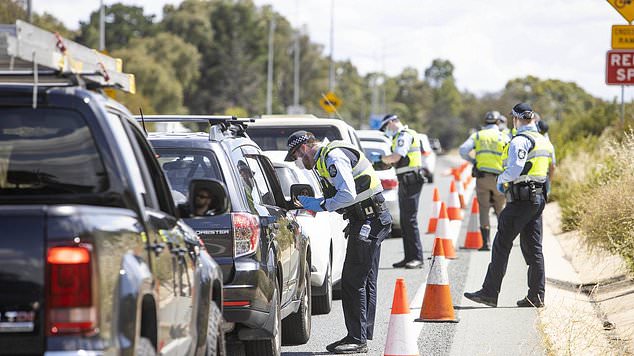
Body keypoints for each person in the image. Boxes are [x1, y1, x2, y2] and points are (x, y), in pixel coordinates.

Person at [284, 130, 391, 354]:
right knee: (365, 278)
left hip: (369, 219)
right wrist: (319, 202)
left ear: (303, 149)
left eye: (296, 155)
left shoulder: (333, 157)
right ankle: (361, 334)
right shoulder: (326, 158)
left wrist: (319, 205)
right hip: (369, 218)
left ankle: (357, 338)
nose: (298, 161)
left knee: (352, 280)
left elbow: (347, 195)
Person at [464, 102, 555, 308]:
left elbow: (514, 170)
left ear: (515, 119)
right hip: (538, 198)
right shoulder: (543, 140)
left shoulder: (520, 141)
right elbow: (550, 168)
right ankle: (536, 296)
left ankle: (489, 292)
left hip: (521, 200)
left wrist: (500, 180)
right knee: (533, 249)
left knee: (501, 244)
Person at [373, 114, 425, 269]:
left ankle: (417, 257)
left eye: (385, 127)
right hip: (406, 180)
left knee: (410, 220)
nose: (386, 131)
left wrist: (382, 159)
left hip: (411, 180)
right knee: (405, 220)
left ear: (391, 123)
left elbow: (396, 157)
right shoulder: (400, 137)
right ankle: (409, 257)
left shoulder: (403, 136)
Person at [458, 111, 510, 250]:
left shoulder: (478, 135)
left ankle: (486, 243)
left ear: (485, 122)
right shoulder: (503, 136)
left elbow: (463, 150)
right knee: (500, 209)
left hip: (482, 178)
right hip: (499, 178)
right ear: (498, 122)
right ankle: (503, 241)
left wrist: (474, 161)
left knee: (484, 209)